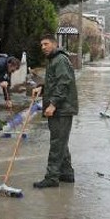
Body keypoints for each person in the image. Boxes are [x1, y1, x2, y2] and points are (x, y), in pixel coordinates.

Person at [31, 34, 79, 188]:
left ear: (54, 44)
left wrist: (52, 104)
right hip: (60, 108)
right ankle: (67, 174)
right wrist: (42, 87)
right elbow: (54, 82)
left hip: (62, 109)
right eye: (41, 45)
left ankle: (52, 177)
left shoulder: (60, 60)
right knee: (61, 141)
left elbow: (64, 83)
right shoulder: (54, 60)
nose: (43, 47)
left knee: (57, 143)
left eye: (46, 44)